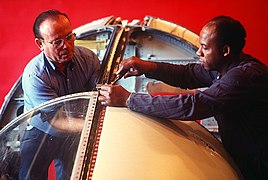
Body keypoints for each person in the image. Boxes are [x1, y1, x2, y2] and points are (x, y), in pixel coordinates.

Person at [99, 16, 268, 179]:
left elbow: (193, 105)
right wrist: (147, 66)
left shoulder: (243, 77)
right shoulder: (225, 66)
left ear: (225, 51)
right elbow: (188, 74)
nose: (198, 51)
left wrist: (128, 99)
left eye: (205, 47)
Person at [20, 9, 100, 179]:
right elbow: (56, 120)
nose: (67, 45)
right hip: (42, 129)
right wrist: (95, 127)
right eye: (57, 42)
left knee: (71, 175)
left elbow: (99, 96)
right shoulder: (34, 75)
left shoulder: (89, 59)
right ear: (40, 44)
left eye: (69, 36)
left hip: (76, 127)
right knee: (30, 176)